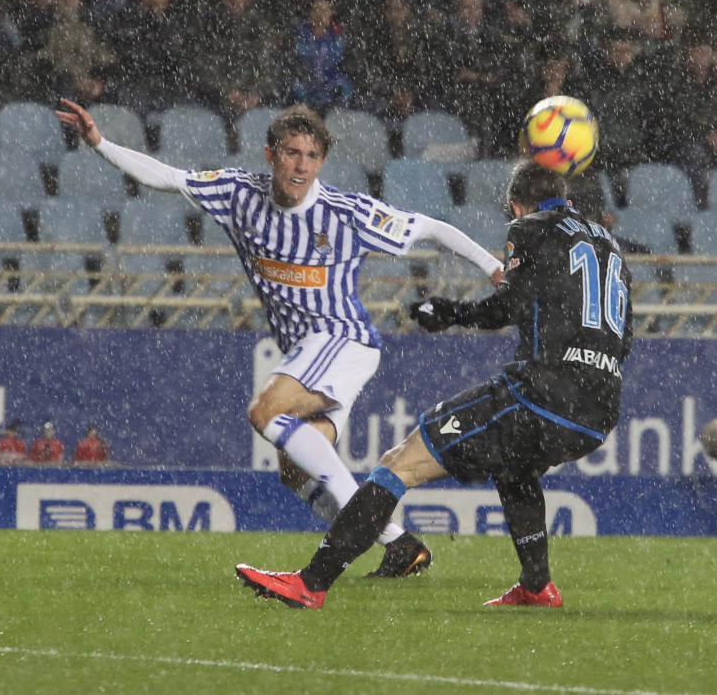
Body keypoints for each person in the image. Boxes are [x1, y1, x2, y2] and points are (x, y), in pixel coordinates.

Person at [56, 99, 503, 576]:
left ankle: (380, 529)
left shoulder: (344, 213)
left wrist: (495, 267)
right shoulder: (237, 193)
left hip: (341, 339)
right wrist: (99, 142)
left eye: (311, 157)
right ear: (271, 155)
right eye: (291, 153)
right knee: (295, 471)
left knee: (265, 411)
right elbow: (164, 176)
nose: (301, 166)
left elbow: (431, 228)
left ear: (322, 162)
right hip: (312, 351)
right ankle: (398, 544)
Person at [235, 159, 632, 608]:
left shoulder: (530, 227)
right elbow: (624, 338)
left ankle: (310, 584)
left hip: (541, 395)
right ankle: (537, 586)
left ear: (516, 205)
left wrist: (450, 312)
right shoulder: (610, 247)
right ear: (570, 200)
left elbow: (509, 306)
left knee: (398, 463)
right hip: (600, 410)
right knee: (515, 467)